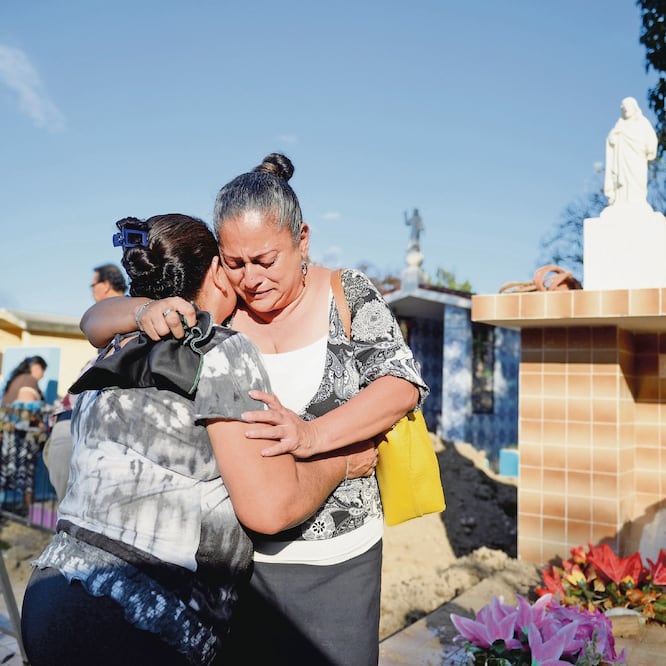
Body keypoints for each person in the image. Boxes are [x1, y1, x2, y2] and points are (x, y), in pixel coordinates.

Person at [82, 153, 428, 665]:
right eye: (236, 263)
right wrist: (143, 310)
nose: (252, 279)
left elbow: (400, 384)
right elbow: (94, 323)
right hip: (241, 569)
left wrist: (311, 437)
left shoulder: (346, 293)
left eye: (266, 260)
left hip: (340, 560)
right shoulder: (221, 310)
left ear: (303, 239)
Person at [21, 213, 377, 666]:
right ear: (212, 271)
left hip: (54, 592)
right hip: (144, 623)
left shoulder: (118, 340)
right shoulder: (218, 349)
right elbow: (269, 509)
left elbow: (92, 319)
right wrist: (342, 464)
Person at [44, 264, 127, 499]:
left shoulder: (119, 312)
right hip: (79, 419)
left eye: (93, 285)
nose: (91, 292)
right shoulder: (118, 315)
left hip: (81, 423)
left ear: (106, 285)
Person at [603, 96, 659, 206]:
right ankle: (620, 202)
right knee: (622, 183)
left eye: (628, 106)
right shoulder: (619, 126)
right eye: (623, 107)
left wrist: (649, 148)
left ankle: (637, 202)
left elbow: (651, 139)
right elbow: (611, 141)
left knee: (637, 181)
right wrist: (613, 137)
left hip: (637, 159)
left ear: (634, 108)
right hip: (621, 162)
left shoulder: (642, 123)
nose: (625, 109)